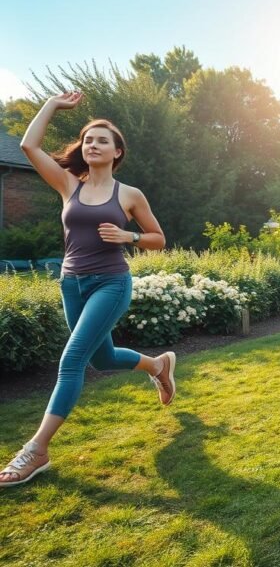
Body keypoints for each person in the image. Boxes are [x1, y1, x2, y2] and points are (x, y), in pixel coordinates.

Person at [1, 92, 176, 487]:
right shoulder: (68, 184)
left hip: (111, 283)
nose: (92, 144)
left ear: (117, 151)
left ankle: (37, 450)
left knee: (73, 358)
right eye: (87, 140)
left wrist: (128, 235)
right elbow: (29, 146)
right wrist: (51, 104)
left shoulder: (129, 195)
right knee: (104, 358)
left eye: (101, 140)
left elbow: (158, 238)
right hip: (71, 283)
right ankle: (157, 365)